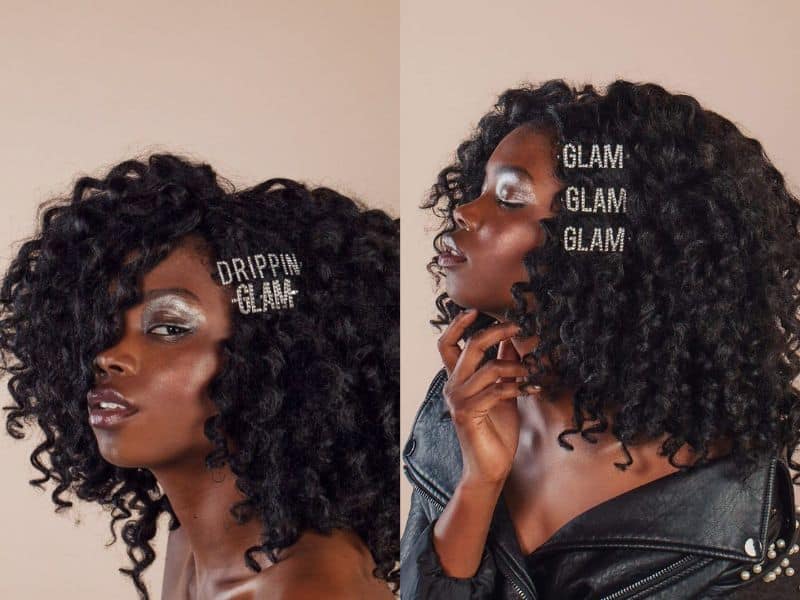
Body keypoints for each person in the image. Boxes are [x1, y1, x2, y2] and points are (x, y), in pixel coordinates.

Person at [401, 79, 800, 598]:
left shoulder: (730, 513)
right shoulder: (461, 406)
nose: (467, 212)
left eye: (509, 197)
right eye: (479, 189)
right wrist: (478, 484)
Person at [0, 154, 399, 599]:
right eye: (102, 325)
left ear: (272, 362)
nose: (108, 356)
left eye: (169, 328)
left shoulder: (307, 589)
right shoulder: (189, 544)